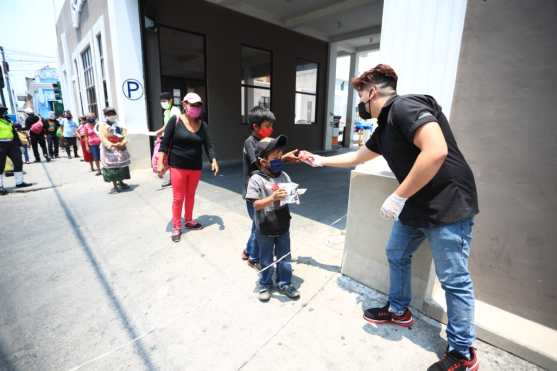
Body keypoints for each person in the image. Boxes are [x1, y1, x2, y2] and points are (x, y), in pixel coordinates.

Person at [300, 64, 479, 371]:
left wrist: (398, 196)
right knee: (396, 252)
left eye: (360, 94)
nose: (359, 102)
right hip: (418, 204)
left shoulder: (406, 106)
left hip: (449, 202)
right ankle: (399, 310)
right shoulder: (384, 129)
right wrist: (320, 161)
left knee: (454, 280)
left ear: (372, 92)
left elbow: (435, 151)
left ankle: (463, 353)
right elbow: (357, 157)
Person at [241, 106, 299, 268]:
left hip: (267, 191)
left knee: (258, 224)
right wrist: (284, 159)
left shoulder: (265, 143)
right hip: (254, 193)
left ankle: (248, 251)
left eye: (272, 126)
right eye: (267, 126)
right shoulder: (250, 143)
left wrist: (282, 158)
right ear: (255, 126)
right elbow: (259, 166)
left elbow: (270, 166)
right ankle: (253, 257)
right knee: (258, 226)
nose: (271, 129)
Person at [157, 92, 219, 242]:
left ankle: (189, 220)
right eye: (193, 105)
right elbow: (165, 143)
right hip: (177, 166)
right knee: (178, 198)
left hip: (195, 168)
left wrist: (214, 160)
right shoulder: (175, 120)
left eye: (198, 106)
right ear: (185, 105)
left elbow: (208, 145)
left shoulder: (202, 125)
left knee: (190, 196)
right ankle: (176, 226)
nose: (196, 108)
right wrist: (160, 162)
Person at [245, 135, 300, 302]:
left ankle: (285, 283)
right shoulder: (256, 179)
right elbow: (255, 205)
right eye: (274, 156)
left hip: (283, 224)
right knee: (266, 258)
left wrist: (294, 194)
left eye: (280, 154)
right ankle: (265, 284)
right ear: (263, 161)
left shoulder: (283, 175)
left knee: (284, 257)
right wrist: (272, 198)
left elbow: (290, 195)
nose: (279, 158)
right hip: (265, 226)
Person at [98, 107, 131, 193]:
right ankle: (115, 185)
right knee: (112, 168)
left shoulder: (119, 124)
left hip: (120, 147)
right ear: (105, 116)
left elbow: (125, 134)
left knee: (121, 166)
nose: (111, 116)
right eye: (109, 114)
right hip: (109, 149)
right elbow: (103, 138)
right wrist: (112, 145)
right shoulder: (103, 126)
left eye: (112, 113)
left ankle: (121, 182)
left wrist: (123, 143)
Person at [0, 104, 32, 195]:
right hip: (0, 145)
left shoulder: (7, 120)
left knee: (18, 161)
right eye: (1, 110)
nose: (3, 112)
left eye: (4, 110)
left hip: (11, 144)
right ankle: (0, 186)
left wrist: (20, 145)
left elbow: (14, 133)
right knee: (0, 166)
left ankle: (19, 182)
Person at [152, 92, 181, 187]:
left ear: (171, 101)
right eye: (161, 101)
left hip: (174, 138)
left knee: (171, 159)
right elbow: (166, 125)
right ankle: (170, 178)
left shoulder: (175, 110)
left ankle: (174, 179)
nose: (162, 103)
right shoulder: (166, 112)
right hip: (167, 138)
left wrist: (159, 131)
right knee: (166, 159)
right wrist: (159, 132)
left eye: (164, 101)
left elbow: (171, 125)